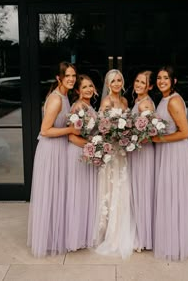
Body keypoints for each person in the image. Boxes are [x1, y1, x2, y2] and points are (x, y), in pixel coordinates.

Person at [27, 61, 77, 257]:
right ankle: (48, 239)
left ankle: (55, 235)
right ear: (59, 78)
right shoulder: (56, 99)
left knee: (57, 192)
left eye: (74, 75)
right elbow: (45, 130)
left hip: (60, 147)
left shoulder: (65, 97)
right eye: (68, 76)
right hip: (50, 150)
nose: (72, 79)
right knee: (50, 192)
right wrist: (71, 129)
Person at [152, 65, 188, 261]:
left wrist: (156, 140)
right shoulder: (164, 99)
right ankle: (169, 238)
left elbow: (185, 133)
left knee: (174, 196)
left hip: (175, 153)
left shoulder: (174, 101)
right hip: (166, 151)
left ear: (174, 81)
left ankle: (174, 243)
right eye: (159, 78)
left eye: (166, 78)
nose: (161, 81)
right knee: (169, 196)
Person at [93, 69, 135, 259]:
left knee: (123, 188)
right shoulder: (106, 102)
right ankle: (108, 232)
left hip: (123, 152)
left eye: (119, 80)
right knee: (110, 189)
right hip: (112, 152)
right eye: (113, 81)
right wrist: (114, 133)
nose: (117, 83)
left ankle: (121, 228)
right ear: (108, 84)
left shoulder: (125, 102)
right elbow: (101, 128)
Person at [66, 74, 98, 251]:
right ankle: (75, 237)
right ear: (77, 90)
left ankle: (84, 234)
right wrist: (95, 145)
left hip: (86, 152)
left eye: (91, 86)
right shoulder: (78, 106)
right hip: (78, 153)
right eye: (84, 87)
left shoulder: (88, 106)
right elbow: (72, 136)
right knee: (78, 194)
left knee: (85, 194)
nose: (88, 89)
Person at [128, 70, 155, 252]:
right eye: (137, 81)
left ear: (150, 87)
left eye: (142, 83)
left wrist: (127, 138)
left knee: (143, 192)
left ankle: (143, 237)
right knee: (138, 191)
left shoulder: (145, 105)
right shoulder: (139, 101)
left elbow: (147, 136)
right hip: (137, 153)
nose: (138, 85)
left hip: (142, 154)